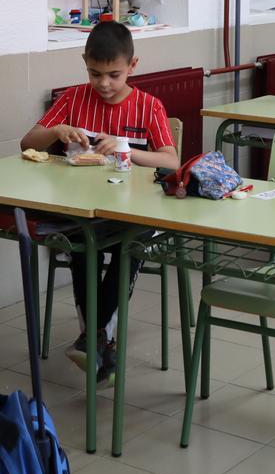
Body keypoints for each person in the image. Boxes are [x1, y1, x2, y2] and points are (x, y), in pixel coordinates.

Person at [20, 22, 179, 383]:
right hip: (82, 208)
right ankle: (98, 343)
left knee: (129, 246)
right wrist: (56, 132)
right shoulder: (74, 99)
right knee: (80, 245)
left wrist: (128, 149)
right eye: (95, 74)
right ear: (84, 63)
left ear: (133, 66)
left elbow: (171, 160)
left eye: (114, 75)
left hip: (135, 211)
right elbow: (27, 142)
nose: (104, 84)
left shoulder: (148, 107)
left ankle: (92, 339)